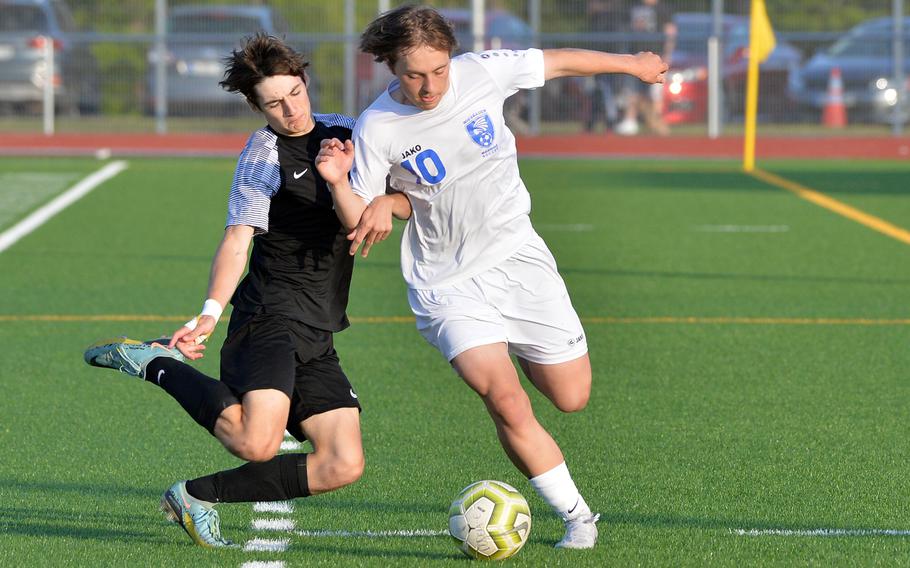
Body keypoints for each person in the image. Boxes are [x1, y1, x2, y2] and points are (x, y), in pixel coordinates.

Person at [315, 5, 667, 550]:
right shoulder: (378, 127)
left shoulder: (483, 72)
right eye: (414, 74)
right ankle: (579, 518)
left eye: (438, 70)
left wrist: (632, 64)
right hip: (447, 283)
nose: (429, 85)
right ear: (391, 67)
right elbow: (357, 215)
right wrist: (351, 188)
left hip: (519, 261)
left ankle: (517, 347)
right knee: (505, 397)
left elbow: (560, 61)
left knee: (570, 397)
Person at [83, 33, 411, 548]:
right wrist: (209, 313)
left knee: (342, 463)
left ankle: (194, 496)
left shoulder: (351, 134)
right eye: (274, 103)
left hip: (319, 325)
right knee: (257, 442)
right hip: (269, 315)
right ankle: (156, 364)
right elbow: (238, 238)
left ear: (306, 82)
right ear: (256, 107)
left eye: (295, 93)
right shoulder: (263, 154)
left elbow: (406, 196)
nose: (290, 110)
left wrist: (378, 196)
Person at [615, 0, 676, 135]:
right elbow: (625, 30)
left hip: (656, 57)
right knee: (632, 91)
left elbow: (670, 32)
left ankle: (656, 123)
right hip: (635, 56)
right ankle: (630, 121)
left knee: (656, 93)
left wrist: (667, 54)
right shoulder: (632, 5)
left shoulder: (663, 8)